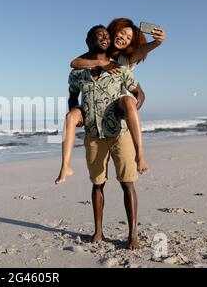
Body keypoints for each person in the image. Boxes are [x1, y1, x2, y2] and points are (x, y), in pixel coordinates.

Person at [55, 18, 165, 184]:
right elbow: (74, 63)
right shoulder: (96, 53)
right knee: (71, 117)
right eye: (122, 33)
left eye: (129, 38)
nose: (124, 38)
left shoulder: (124, 59)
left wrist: (156, 43)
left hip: (118, 105)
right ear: (113, 31)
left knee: (127, 100)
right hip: (96, 112)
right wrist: (100, 63)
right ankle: (65, 166)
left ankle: (140, 156)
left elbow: (140, 59)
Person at [68, 43, 143, 249]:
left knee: (127, 183)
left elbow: (139, 93)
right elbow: (73, 96)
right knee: (97, 183)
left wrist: (130, 110)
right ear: (89, 41)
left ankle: (132, 235)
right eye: (99, 35)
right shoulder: (78, 73)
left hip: (120, 134)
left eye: (106, 36)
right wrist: (77, 112)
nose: (104, 38)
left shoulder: (120, 69)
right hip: (93, 135)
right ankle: (98, 230)